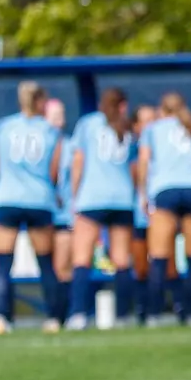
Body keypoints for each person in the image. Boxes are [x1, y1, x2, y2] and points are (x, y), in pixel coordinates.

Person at [67, 88, 138, 330]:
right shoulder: (128, 128)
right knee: (121, 260)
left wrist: (74, 196)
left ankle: (78, 314)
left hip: (92, 198)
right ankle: (122, 315)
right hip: (122, 199)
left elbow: (78, 161)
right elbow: (134, 168)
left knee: (82, 258)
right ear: (123, 105)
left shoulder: (88, 124)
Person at [137, 93, 191, 325]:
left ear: (162, 109)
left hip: (165, 189)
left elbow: (144, 161)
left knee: (159, 257)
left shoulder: (153, 129)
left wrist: (142, 193)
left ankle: (155, 314)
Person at [0, 82, 64, 335]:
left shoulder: (4, 127)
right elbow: (54, 171)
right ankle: (53, 318)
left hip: (8, 198)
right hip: (39, 199)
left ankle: (2, 317)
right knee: (45, 262)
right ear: (40, 102)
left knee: (3, 262)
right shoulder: (50, 131)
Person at [46, 98, 74, 329]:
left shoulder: (70, 145)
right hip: (45, 213)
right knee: (51, 266)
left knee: (64, 266)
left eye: (62, 114)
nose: (60, 120)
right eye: (54, 115)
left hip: (66, 215)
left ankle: (62, 316)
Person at [129, 104, 157, 323]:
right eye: (146, 121)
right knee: (140, 267)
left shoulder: (166, 148)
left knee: (166, 264)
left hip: (160, 214)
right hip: (138, 215)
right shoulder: (129, 149)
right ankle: (141, 311)